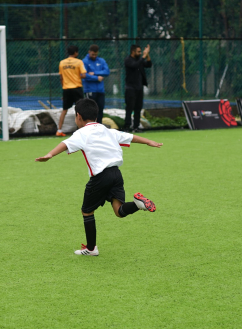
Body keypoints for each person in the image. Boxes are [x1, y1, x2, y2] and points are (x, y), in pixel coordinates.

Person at [35, 99, 162, 256]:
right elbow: (130, 137)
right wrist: (149, 141)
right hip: (116, 174)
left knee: (87, 212)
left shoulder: (81, 133)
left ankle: (91, 248)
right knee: (119, 211)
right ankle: (137, 204)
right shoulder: (107, 130)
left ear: (78, 116)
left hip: (101, 177)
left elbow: (65, 144)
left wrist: (50, 154)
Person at [57, 45, 87, 136]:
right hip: (76, 88)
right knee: (80, 110)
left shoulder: (62, 63)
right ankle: (80, 130)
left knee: (64, 110)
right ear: (75, 53)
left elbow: (61, 78)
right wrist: (77, 75)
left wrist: (64, 87)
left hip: (66, 89)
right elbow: (84, 75)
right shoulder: (79, 62)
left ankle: (59, 130)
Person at [124, 44, 152, 132]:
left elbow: (149, 64)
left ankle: (136, 127)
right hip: (130, 88)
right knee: (129, 108)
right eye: (138, 52)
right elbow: (135, 65)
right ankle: (127, 126)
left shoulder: (139, 60)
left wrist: (147, 55)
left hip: (139, 88)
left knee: (138, 108)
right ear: (133, 52)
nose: (140, 53)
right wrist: (143, 56)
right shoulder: (128, 60)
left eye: (141, 51)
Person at [82, 44, 110, 124]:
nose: (94, 56)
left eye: (96, 54)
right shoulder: (84, 61)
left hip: (100, 90)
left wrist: (94, 73)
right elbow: (84, 75)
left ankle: (99, 126)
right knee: (90, 110)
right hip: (90, 90)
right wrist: (97, 78)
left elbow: (107, 72)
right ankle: (91, 127)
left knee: (100, 109)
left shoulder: (101, 61)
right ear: (89, 52)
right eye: (92, 54)